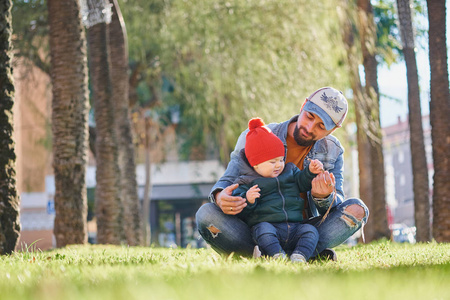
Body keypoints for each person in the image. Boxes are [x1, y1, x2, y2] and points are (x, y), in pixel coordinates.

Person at [196, 87, 369, 260]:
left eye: (321, 126)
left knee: (357, 209)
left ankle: (279, 253)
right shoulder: (256, 137)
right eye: (309, 116)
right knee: (206, 214)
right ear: (303, 106)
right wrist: (220, 198)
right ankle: (302, 254)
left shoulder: (333, 150)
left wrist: (323, 197)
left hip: (302, 229)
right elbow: (227, 180)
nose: (309, 127)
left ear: (332, 130)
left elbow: (336, 200)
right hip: (258, 227)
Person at [233, 117, 325, 262]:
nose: (278, 165)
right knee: (262, 231)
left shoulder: (289, 171)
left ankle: (300, 255)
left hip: (295, 226)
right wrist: (248, 199)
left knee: (310, 231)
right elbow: (240, 209)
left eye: (281, 159)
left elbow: (302, 182)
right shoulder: (247, 182)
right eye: (272, 162)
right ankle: (276, 255)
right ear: (256, 165)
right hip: (269, 226)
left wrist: (310, 172)